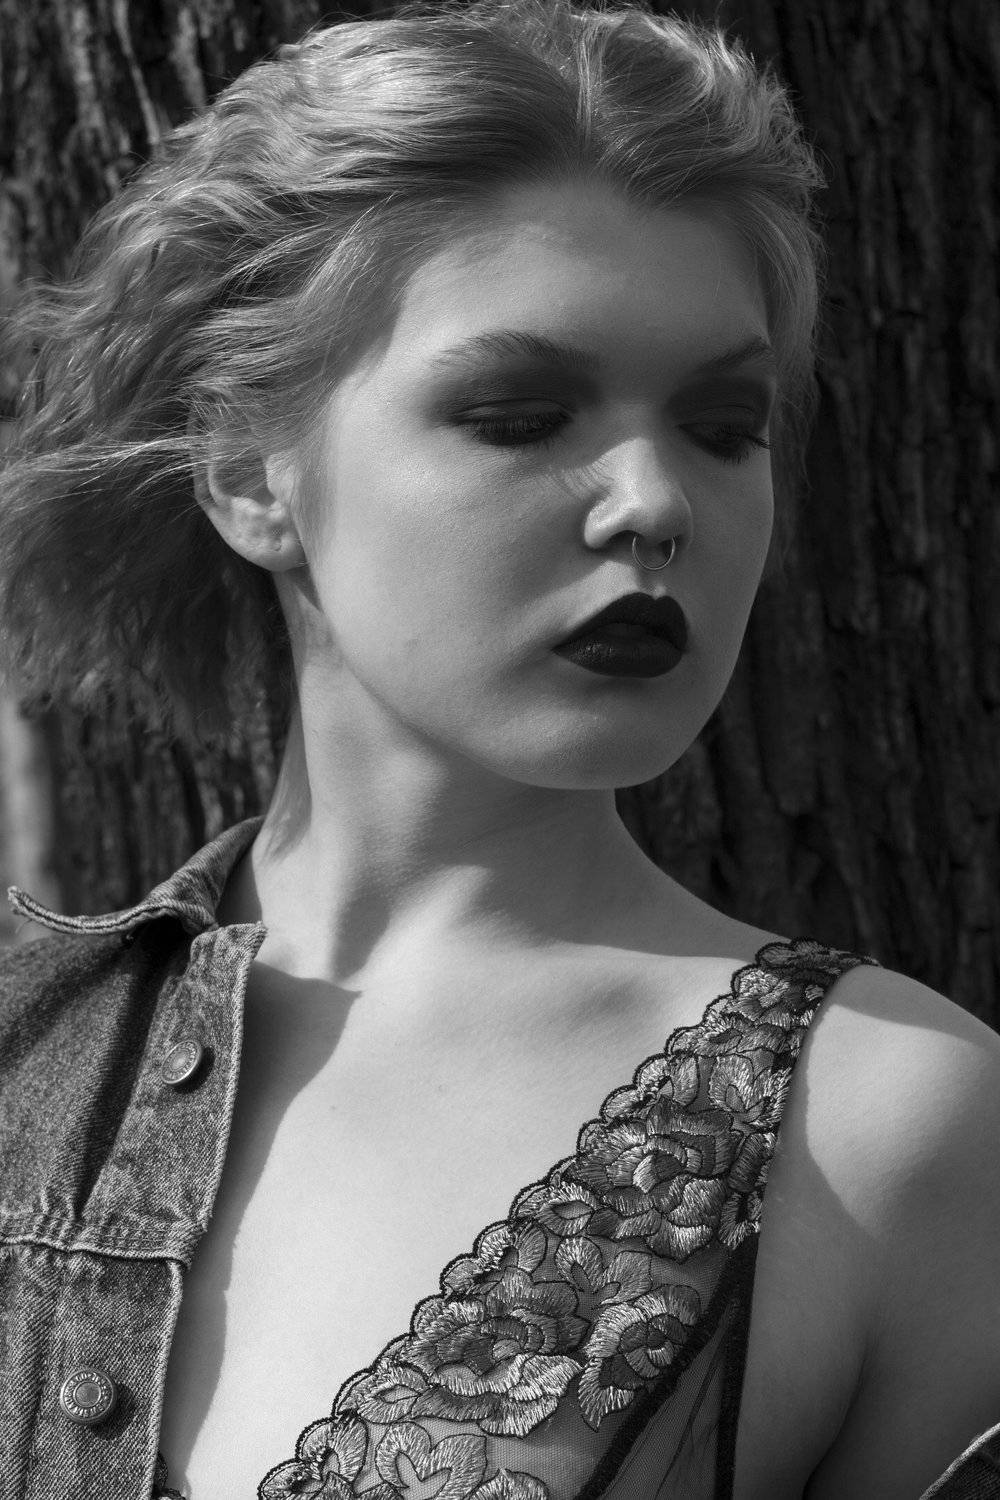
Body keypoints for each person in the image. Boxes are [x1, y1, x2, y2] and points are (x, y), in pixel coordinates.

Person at [0, 1, 998, 1496]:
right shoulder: (25, 1049)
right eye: (521, 414)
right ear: (249, 474)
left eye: (725, 424)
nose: (654, 501)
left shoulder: (885, 1129)